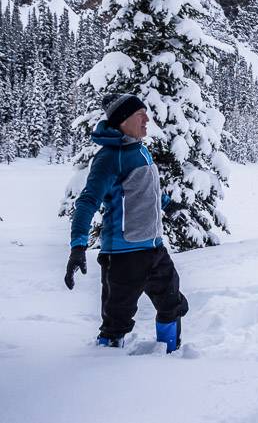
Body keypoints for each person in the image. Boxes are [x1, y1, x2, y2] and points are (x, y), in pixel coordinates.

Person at [64, 93, 188, 353]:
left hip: (155, 249)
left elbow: (143, 189)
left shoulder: (140, 149)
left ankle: (171, 356)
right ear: (122, 120)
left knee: (171, 303)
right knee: (116, 322)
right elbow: (87, 202)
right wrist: (78, 246)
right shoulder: (109, 157)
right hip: (123, 256)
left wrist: (166, 202)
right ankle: (106, 371)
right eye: (139, 114)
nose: (147, 119)